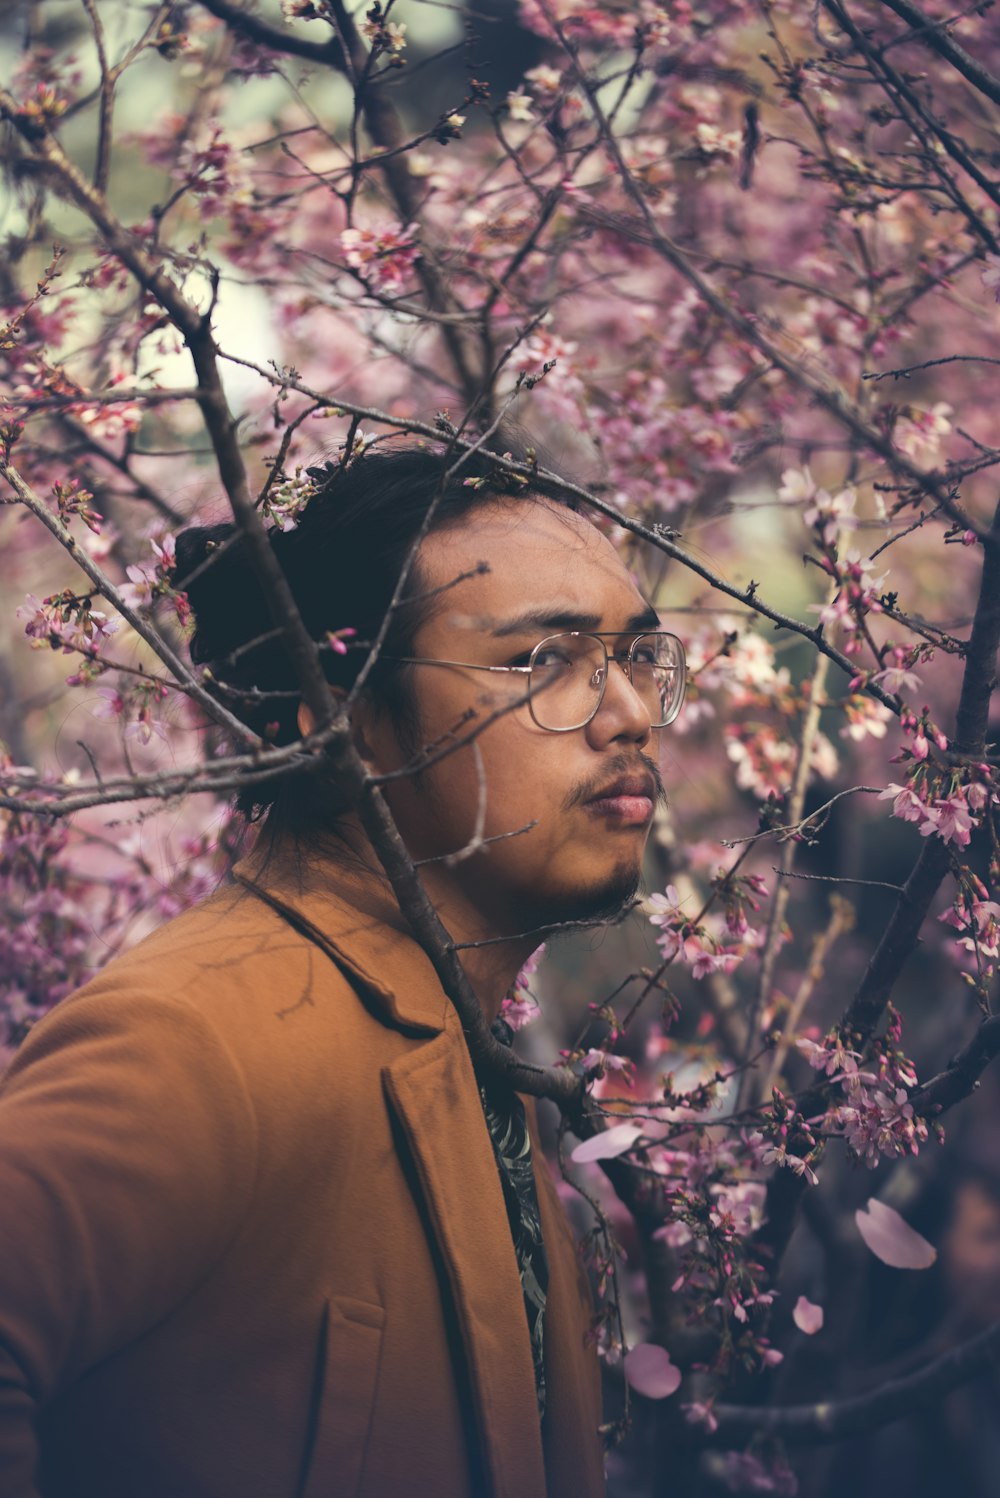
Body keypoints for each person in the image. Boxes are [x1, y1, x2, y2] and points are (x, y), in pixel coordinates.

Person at [0, 445, 685, 1498]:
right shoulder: (202, 1036)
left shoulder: (471, 1049)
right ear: (345, 716)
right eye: (539, 660)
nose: (629, 710)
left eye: (636, 655)